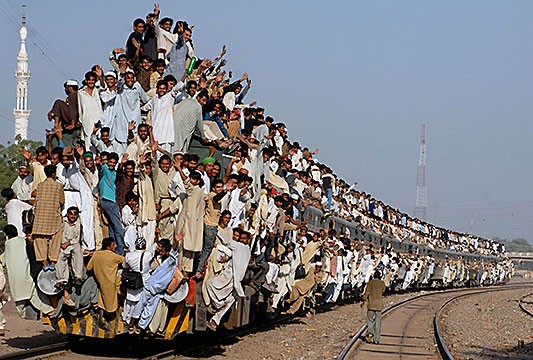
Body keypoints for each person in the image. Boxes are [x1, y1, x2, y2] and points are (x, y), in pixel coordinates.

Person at [87, 237, 124, 329]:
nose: (115, 246)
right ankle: (108, 320)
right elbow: (125, 261)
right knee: (111, 304)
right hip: (111, 283)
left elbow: (88, 267)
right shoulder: (113, 256)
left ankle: (102, 315)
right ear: (108, 247)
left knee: (102, 301)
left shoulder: (96, 254)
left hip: (100, 282)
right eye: (113, 245)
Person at [32, 165, 65, 270]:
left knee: (40, 239)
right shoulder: (58, 185)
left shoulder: (40, 185)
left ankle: (44, 262)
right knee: (55, 238)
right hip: (53, 216)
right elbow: (62, 201)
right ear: (54, 174)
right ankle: (53, 262)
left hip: (40, 217)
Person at [360, 270, 386, 344]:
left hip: (371, 304)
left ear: (373, 276)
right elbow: (383, 290)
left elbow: (366, 294)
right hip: (379, 305)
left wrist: (363, 301)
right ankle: (376, 339)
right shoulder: (382, 283)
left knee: (370, 320)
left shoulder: (370, 283)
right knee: (378, 322)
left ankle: (370, 332)